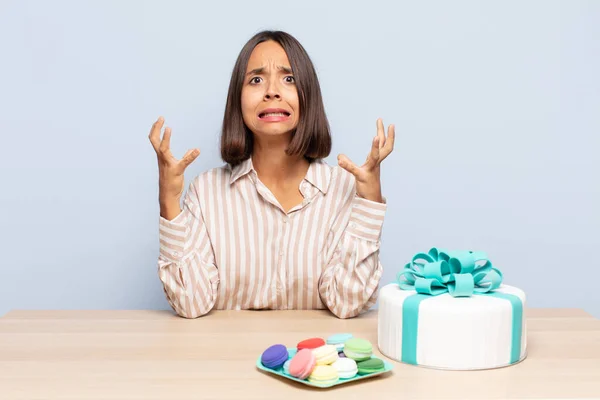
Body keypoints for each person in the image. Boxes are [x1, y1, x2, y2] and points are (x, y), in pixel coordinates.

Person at [148, 30, 395, 319]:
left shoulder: (343, 189)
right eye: (256, 79)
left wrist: (370, 202)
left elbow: (347, 302)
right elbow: (191, 304)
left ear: (308, 96)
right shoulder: (206, 192)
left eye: (288, 79)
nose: (272, 91)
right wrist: (168, 199)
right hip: (225, 359)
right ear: (237, 101)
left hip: (313, 361)